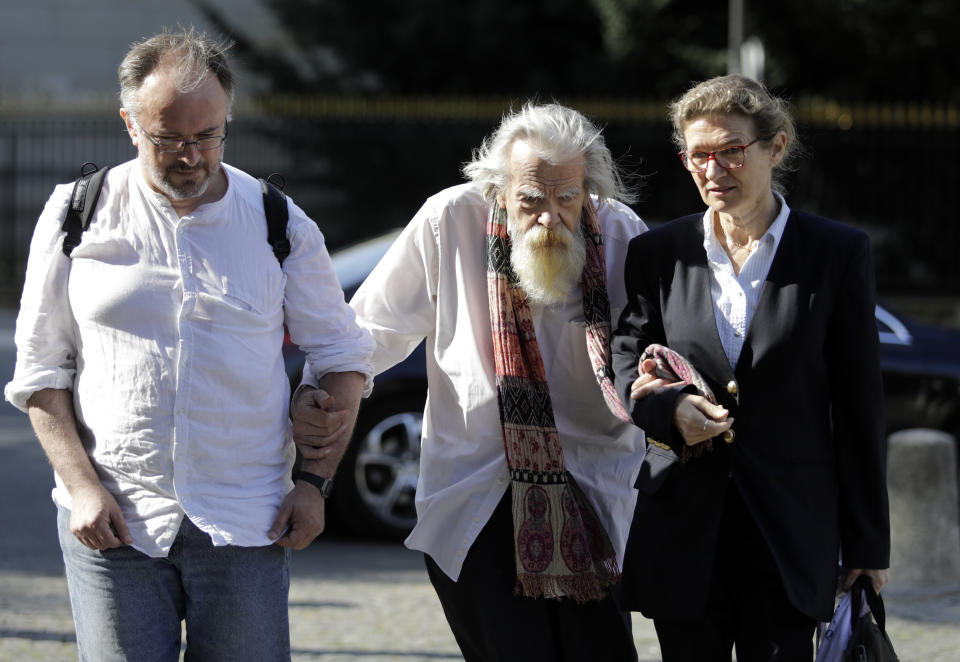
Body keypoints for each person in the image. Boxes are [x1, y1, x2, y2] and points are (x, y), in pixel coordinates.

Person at [3, 28, 374, 662]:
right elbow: (41, 371)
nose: (189, 156)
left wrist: (314, 484)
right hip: (114, 522)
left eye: (207, 136)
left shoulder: (278, 221)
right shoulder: (77, 214)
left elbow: (343, 357)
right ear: (129, 123)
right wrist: (82, 486)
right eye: (168, 138)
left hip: (248, 524)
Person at [293, 102, 648, 661]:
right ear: (500, 191)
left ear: (589, 193)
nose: (550, 218)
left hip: (595, 490)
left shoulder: (623, 235)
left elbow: (650, 353)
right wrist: (321, 397)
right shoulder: (450, 220)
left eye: (566, 199)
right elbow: (371, 332)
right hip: (477, 491)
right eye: (531, 200)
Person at [610, 74, 890, 662]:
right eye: (698, 156)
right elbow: (626, 362)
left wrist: (867, 541)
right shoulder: (658, 254)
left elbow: (859, 401)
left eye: (732, 151)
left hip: (789, 532)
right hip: (684, 527)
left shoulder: (836, 252)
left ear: (776, 147)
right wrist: (670, 409)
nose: (714, 171)